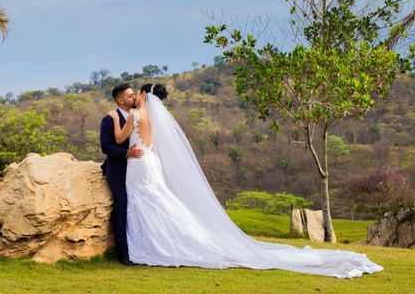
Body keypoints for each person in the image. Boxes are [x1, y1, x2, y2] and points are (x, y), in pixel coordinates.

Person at [107, 83, 383, 278]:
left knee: (146, 202)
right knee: (157, 200)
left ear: (143, 95)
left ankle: (154, 244)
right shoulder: (156, 118)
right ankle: (167, 239)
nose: (133, 98)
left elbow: (119, 138)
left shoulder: (133, 114)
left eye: (135, 94)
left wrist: (114, 118)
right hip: (149, 161)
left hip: (139, 164)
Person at [99, 83, 144, 265]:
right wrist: (126, 153)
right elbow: (106, 146)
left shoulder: (138, 116)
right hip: (117, 170)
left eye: (134, 95)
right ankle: (123, 254)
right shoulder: (110, 119)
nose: (134, 98)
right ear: (120, 100)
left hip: (138, 171)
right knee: (121, 207)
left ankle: (140, 247)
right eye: (130, 95)